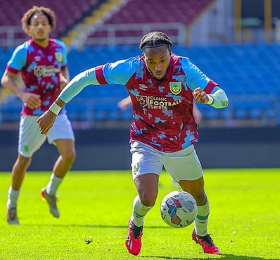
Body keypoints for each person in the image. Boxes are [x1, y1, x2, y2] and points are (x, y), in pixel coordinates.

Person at [37, 31, 228, 255]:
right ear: (142, 58)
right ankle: (136, 225)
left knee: (199, 197)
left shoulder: (185, 69)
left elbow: (222, 97)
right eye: (151, 61)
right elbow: (86, 77)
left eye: (162, 60)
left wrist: (210, 99)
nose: (157, 66)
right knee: (148, 197)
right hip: (145, 141)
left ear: (170, 54)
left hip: (180, 144)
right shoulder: (130, 69)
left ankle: (201, 234)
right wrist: (54, 109)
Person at [1, 6, 76, 225]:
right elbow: (6, 78)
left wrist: (63, 80)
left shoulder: (60, 47)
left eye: (44, 23)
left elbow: (63, 70)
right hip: (32, 114)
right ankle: (12, 205)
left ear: (50, 26)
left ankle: (50, 191)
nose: (40, 27)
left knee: (69, 153)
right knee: (23, 161)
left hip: (55, 110)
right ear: (28, 28)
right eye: (35, 24)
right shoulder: (23, 51)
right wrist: (22, 94)